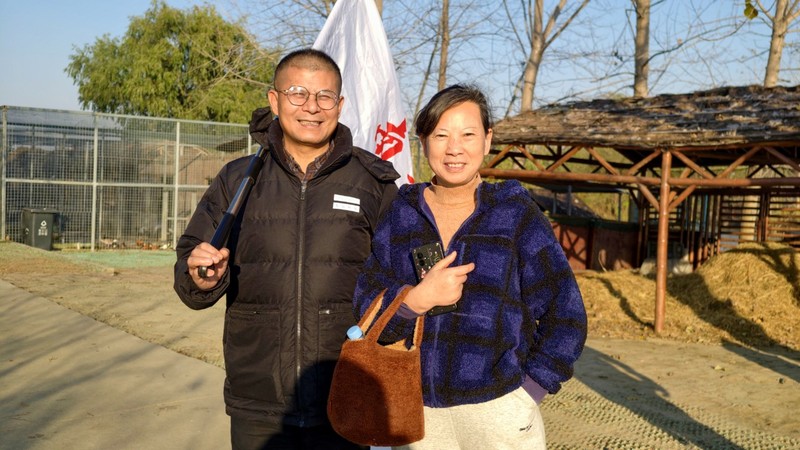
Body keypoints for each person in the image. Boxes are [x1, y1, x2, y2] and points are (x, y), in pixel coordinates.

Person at [173, 48, 399, 450]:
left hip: (343, 391)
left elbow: (397, 278)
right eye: (298, 93)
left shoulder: (373, 182)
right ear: (274, 100)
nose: (311, 107)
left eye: (324, 96)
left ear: (340, 105)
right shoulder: (237, 179)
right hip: (258, 398)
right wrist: (201, 278)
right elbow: (192, 261)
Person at [352, 84, 587, 449]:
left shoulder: (515, 214)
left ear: (487, 140)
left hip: (498, 411)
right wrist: (413, 301)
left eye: (468, 134)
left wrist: (529, 391)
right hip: (413, 410)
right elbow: (366, 305)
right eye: (441, 135)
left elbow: (566, 313)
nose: (454, 148)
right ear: (423, 141)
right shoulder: (400, 214)